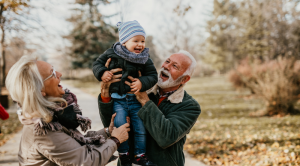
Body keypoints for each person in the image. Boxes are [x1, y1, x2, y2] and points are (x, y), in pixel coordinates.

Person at [5, 55, 130, 166]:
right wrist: (115, 140)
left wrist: (107, 132)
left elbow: (73, 146)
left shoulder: (50, 116)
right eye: (52, 73)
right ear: (39, 90)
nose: (59, 74)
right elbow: (86, 161)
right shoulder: (44, 129)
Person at [98, 50, 201, 166]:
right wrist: (106, 91)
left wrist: (144, 99)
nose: (166, 66)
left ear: (184, 79)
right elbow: (111, 126)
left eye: (174, 66)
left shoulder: (189, 106)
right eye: (167, 61)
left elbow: (165, 137)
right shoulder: (138, 87)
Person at [92, 20, 158, 166]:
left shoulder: (144, 58)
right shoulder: (112, 53)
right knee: (120, 125)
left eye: (143, 41)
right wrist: (103, 73)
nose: (140, 44)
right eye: (136, 40)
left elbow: (153, 75)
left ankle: (140, 155)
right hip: (118, 100)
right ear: (124, 41)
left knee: (140, 127)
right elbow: (96, 64)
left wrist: (142, 83)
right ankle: (124, 154)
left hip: (135, 100)